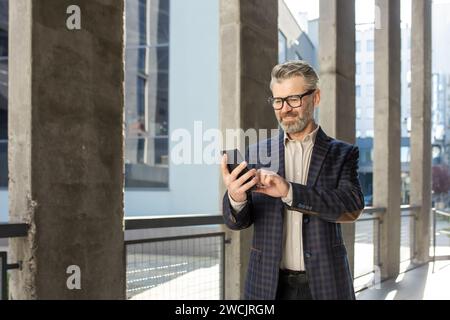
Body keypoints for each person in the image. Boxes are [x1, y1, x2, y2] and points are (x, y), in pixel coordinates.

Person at [221, 60, 365, 300]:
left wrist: (290, 191)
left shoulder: (343, 154)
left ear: (315, 98)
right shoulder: (256, 154)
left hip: (325, 283)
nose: (284, 109)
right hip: (268, 284)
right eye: (278, 101)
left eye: (293, 99)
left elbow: (352, 206)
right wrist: (236, 198)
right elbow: (237, 222)